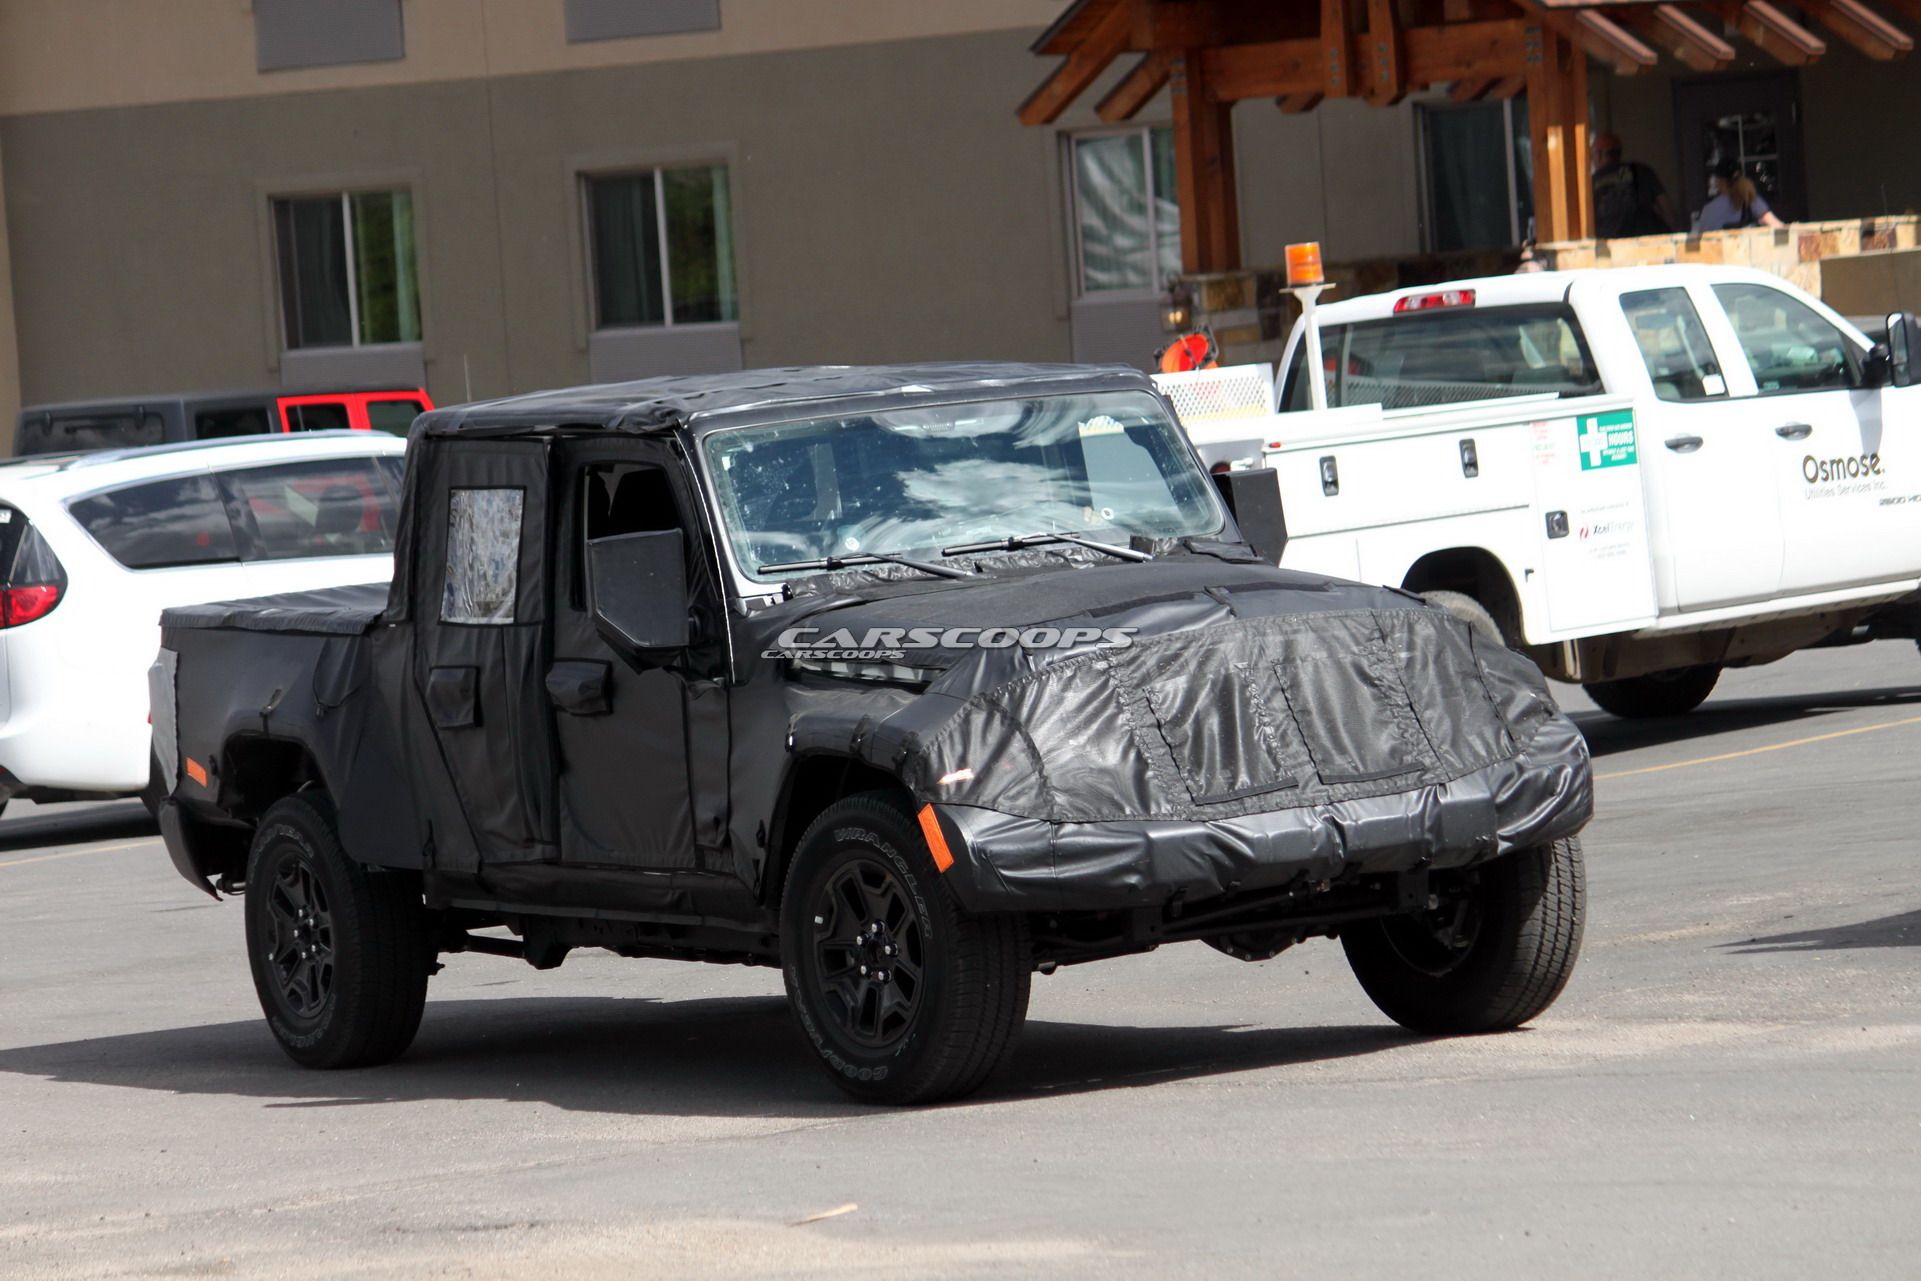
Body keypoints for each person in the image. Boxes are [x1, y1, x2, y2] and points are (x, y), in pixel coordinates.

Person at [1591, 132, 1676, 238]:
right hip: (1647, 243)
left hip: (1610, 246)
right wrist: (1674, 236)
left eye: (1592, 154)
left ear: (1598, 155)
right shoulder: (1641, 171)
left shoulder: (1592, 183)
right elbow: (1666, 207)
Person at [1697, 159, 1784, 231]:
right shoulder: (1750, 200)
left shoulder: (1708, 210)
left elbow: (1701, 240)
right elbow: (1777, 226)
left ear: (1718, 182)